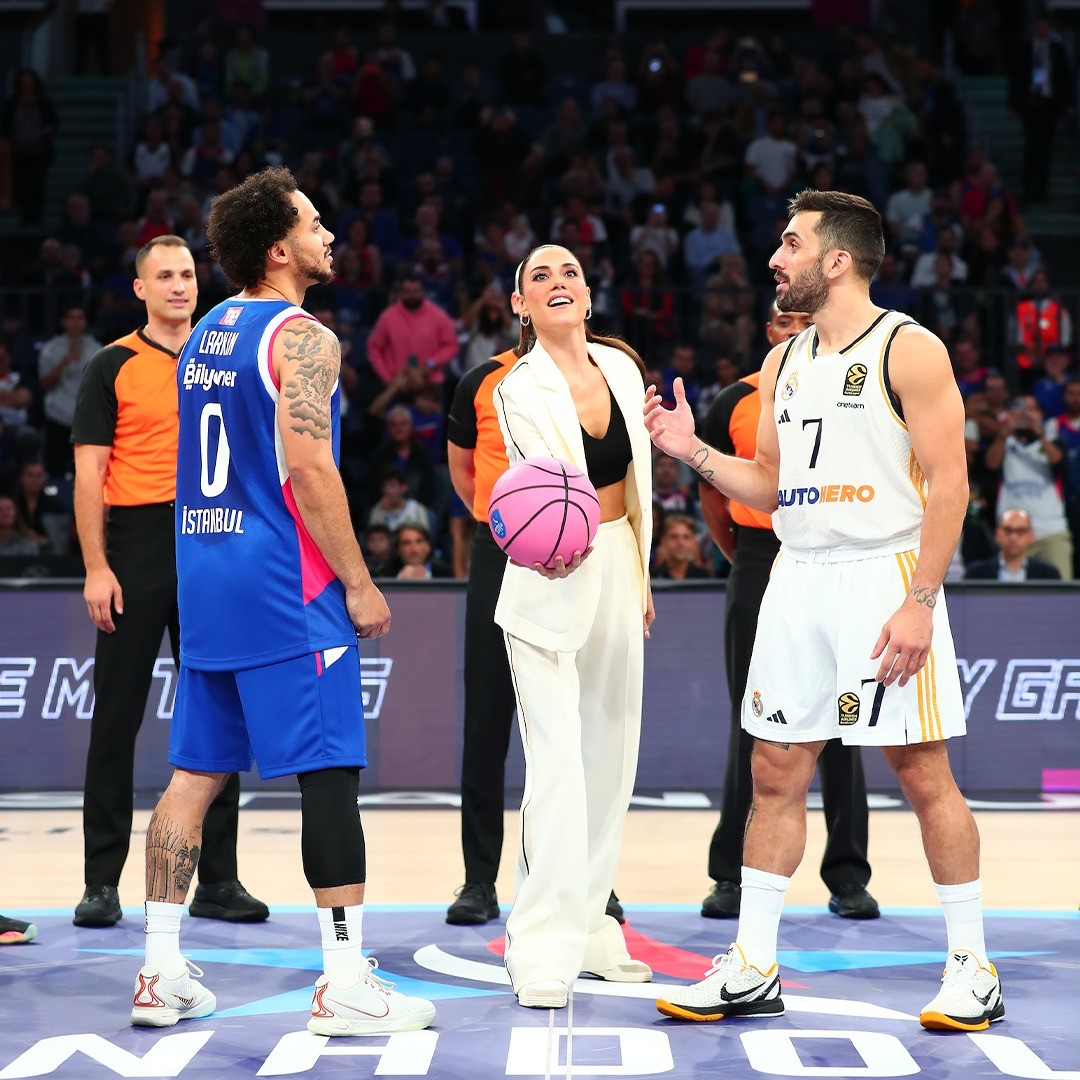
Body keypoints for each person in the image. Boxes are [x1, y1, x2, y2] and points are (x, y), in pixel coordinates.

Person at [645, 190, 1003, 1032]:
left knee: (921, 771)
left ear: (835, 261)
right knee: (774, 771)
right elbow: (770, 486)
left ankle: (972, 967)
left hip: (886, 574)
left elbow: (951, 487)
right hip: (799, 575)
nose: (775, 259)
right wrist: (692, 451)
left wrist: (920, 600)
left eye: (790, 244)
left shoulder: (909, 349)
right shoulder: (781, 363)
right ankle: (752, 964)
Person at [128, 166, 434, 1035]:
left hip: (204, 573)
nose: (328, 234)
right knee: (329, 772)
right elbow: (308, 469)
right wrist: (359, 582)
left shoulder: (204, 334)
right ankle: (344, 982)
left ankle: (158, 970)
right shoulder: (302, 337)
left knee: (194, 776)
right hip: (284, 584)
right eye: (313, 223)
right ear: (277, 249)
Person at [71, 235, 266, 929]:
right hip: (137, 544)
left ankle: (219, 879)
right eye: (165, 276)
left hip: (214, 535)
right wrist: (97, 566)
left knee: (218, 711)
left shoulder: (223, 357)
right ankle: (101, 882)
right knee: (116, 718)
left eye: (187, 273)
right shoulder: (112, 364)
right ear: (141, 289)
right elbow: (90, 474)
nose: (180, 285)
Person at [493, 243, 654, 1010]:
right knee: (557, 769)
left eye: (570, 274)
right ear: (520, 305)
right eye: (540, 276)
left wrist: (640, 576)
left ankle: (589, 929)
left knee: (610, 765)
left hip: (619, 564)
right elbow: (546, 493)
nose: (557, 283)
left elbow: (639, 485)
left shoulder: (621, 368)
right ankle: (538, 947)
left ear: (588, 296)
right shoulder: (517, 386)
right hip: (548, 579)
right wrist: (574, 554)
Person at [698, 302, 878, 921]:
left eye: (806, 322)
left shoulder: (858, 386)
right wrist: (746, 559)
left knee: (845, 718)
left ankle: (848, 875)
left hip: (838, 551)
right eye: (785, 323)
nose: (796, 332)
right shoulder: (735, 401)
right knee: (752, 718)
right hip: (758, 554)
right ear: (768, 331)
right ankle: (730, 874)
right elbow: (714, 494)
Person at [444, 344, 629, 927]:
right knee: (487, 716)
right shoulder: (483, 381)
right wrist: (519, 525)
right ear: (520, 304)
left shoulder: (601, 372)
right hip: (503, 548)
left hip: (587, 548)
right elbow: (463, 472)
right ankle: (479, 879)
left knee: (587, 720)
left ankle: (592, 879)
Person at [38, 305, 102, 478]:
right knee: (55, 472)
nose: (76, 323)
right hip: (58, 417)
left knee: (84, 474)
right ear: (63, 321)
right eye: (71, 318)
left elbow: (100, 384)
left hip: (85, 420)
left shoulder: (95, 348)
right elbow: (45, 383)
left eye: (80, 318)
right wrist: (63, 362)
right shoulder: (51, 348)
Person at [964, 507, 1061, 581]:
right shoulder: (975, 574)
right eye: (1008, 530)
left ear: (1031, 536)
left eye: (1020, 531)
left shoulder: (1049, 575)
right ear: (997, 534)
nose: (1013, 537)